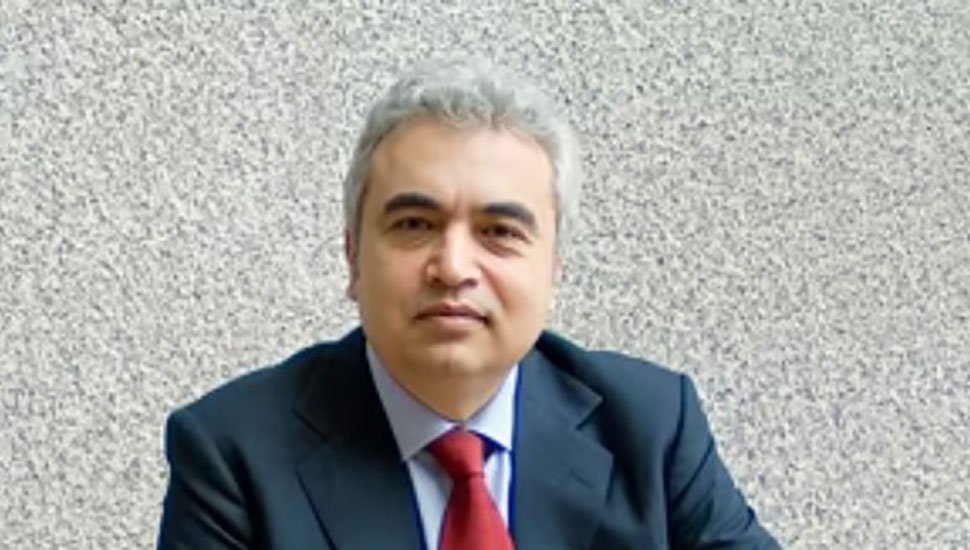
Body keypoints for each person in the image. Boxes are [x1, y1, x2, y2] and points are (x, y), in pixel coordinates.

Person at [157, 58, 780, 549]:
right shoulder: (233, 452)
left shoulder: (652, 427)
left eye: (499, 232)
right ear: (353, 259)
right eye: (414, 225)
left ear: (553, 270)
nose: (453, 267)